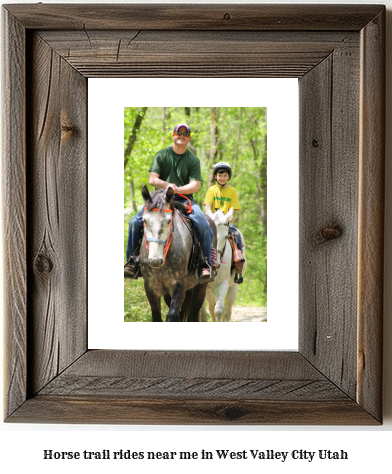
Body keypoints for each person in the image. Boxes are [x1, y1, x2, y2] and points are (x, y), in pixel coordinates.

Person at [124, 123, 213, 281]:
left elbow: (196, 185)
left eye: (185, 134)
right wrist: (167, 185)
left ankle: (204, 264)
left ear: (189, 138)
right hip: (160, 197)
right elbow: (152, 179)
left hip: (183, 198)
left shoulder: (193, 160)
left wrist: (177, 189)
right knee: (134, 222)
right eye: (179, 133)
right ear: (173, 135)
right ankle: (132, 261)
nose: (181, 136)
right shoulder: (162, 155)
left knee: (203, 223)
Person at [204, 161, 245, 283]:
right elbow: (207, 207)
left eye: (225, 175)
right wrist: (210, 217)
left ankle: (238, 267)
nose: (222, 178)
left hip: (225, 222)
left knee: (236, 236)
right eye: (219, 175)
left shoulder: (232, 191)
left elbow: (232, 208)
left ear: (228, 177)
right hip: (212, 221)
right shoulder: (212, 190)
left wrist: (230, 216)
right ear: (215, 176)